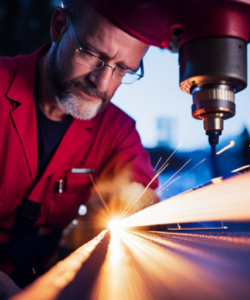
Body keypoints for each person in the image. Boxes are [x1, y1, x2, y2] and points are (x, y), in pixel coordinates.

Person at [0, 0, 158, 288]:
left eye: (123, 69)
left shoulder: (117, 131)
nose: (102, 82)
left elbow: (142, 196)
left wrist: (137, 211)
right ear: (58, 26)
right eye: (93, 54)